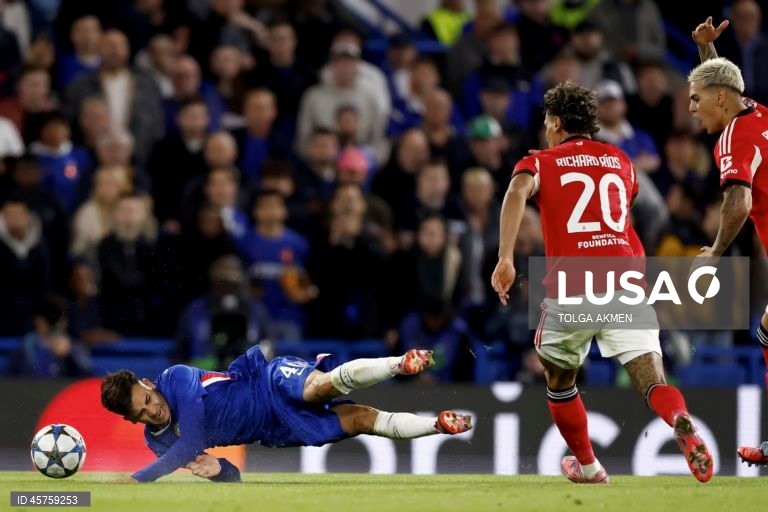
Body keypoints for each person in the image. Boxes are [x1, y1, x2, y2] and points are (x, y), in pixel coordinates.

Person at [490, 81, 713, 483]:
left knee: (559, 379)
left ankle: (589, 466)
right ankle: (680, 418)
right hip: (626, 281)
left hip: (573, 284)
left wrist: (506, 257)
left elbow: (516, 192)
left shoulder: (540, 161)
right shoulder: (620, 160)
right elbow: (622, 205)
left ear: (555, 123)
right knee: (652, 380)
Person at [101, 347, 472, 483]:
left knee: (319, 387)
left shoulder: (176, 378)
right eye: (142, 413)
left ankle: (399, 363)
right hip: (275, 429)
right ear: (132, 421)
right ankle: (437, 425)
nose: (153, 409)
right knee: (361, 420)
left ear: (147, 383)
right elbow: (231, 476)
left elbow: (193, 439)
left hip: (267, 382)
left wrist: (138, 479)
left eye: (147, 398)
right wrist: (220, 471)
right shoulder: (159, 442)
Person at [689, 16, 768, 468]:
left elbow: (738, 202)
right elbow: (724, 86)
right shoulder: (754, 112)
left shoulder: (734, 140)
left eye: (695, 99)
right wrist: (707, 52)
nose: (692, 108)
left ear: (718, 98)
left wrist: (715, 252)